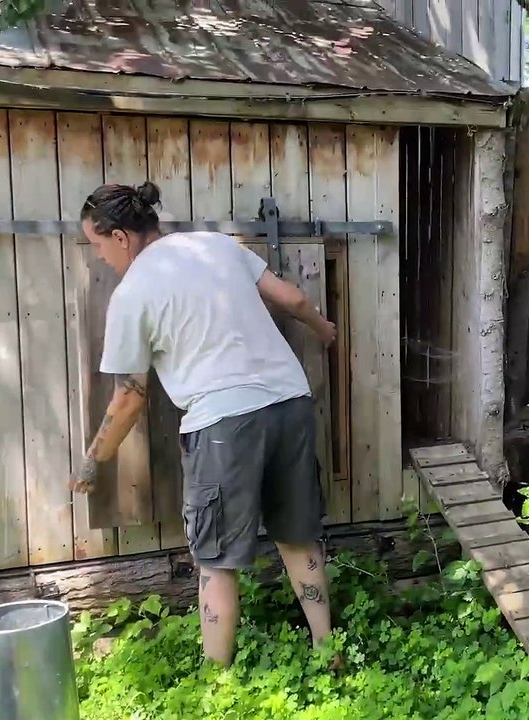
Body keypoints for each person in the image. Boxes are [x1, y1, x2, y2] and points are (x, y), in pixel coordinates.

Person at [68, 181, 340, 669]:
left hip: (224, 423)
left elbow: (129, 397)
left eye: (98, 245)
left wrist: (93, 461)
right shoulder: (216, 245)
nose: (101, 257)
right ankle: (329, 650)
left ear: (121, 237)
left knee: (216, 559)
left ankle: (218, 683)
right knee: (298, 535)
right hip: (291, 401)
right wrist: (326, 331)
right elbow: (294, 300)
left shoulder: (132, 294)